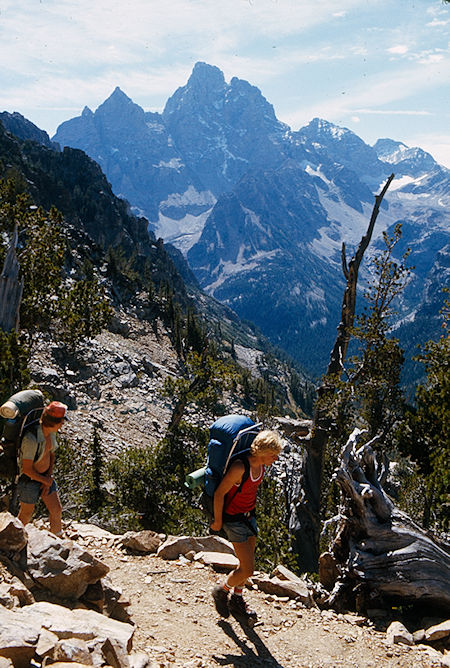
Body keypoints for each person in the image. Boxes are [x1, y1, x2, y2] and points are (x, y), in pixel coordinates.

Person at [210, 429, 283, 622]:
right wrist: (218, 521)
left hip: (249, 517)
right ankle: (222, 590)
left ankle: (237, 598)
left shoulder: (260, 465)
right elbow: (219, 494)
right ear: (263, 452)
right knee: (248, 570)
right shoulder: (240, 467)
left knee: (245, 565)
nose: (275, 459)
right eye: (273, 455)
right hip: (234, 520)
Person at [17, 401, 68, 536]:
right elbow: (27, 469)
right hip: (28, 480)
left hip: (45, 477)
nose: (63, 424)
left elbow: (51, 454)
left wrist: (48, 477)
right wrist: (45, 481)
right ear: (52, 421)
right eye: (61, 421)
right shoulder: (31, 439)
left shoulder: (51, 432)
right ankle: (11, 539)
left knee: (56, 509)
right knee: (26, 514)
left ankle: (57, 540)